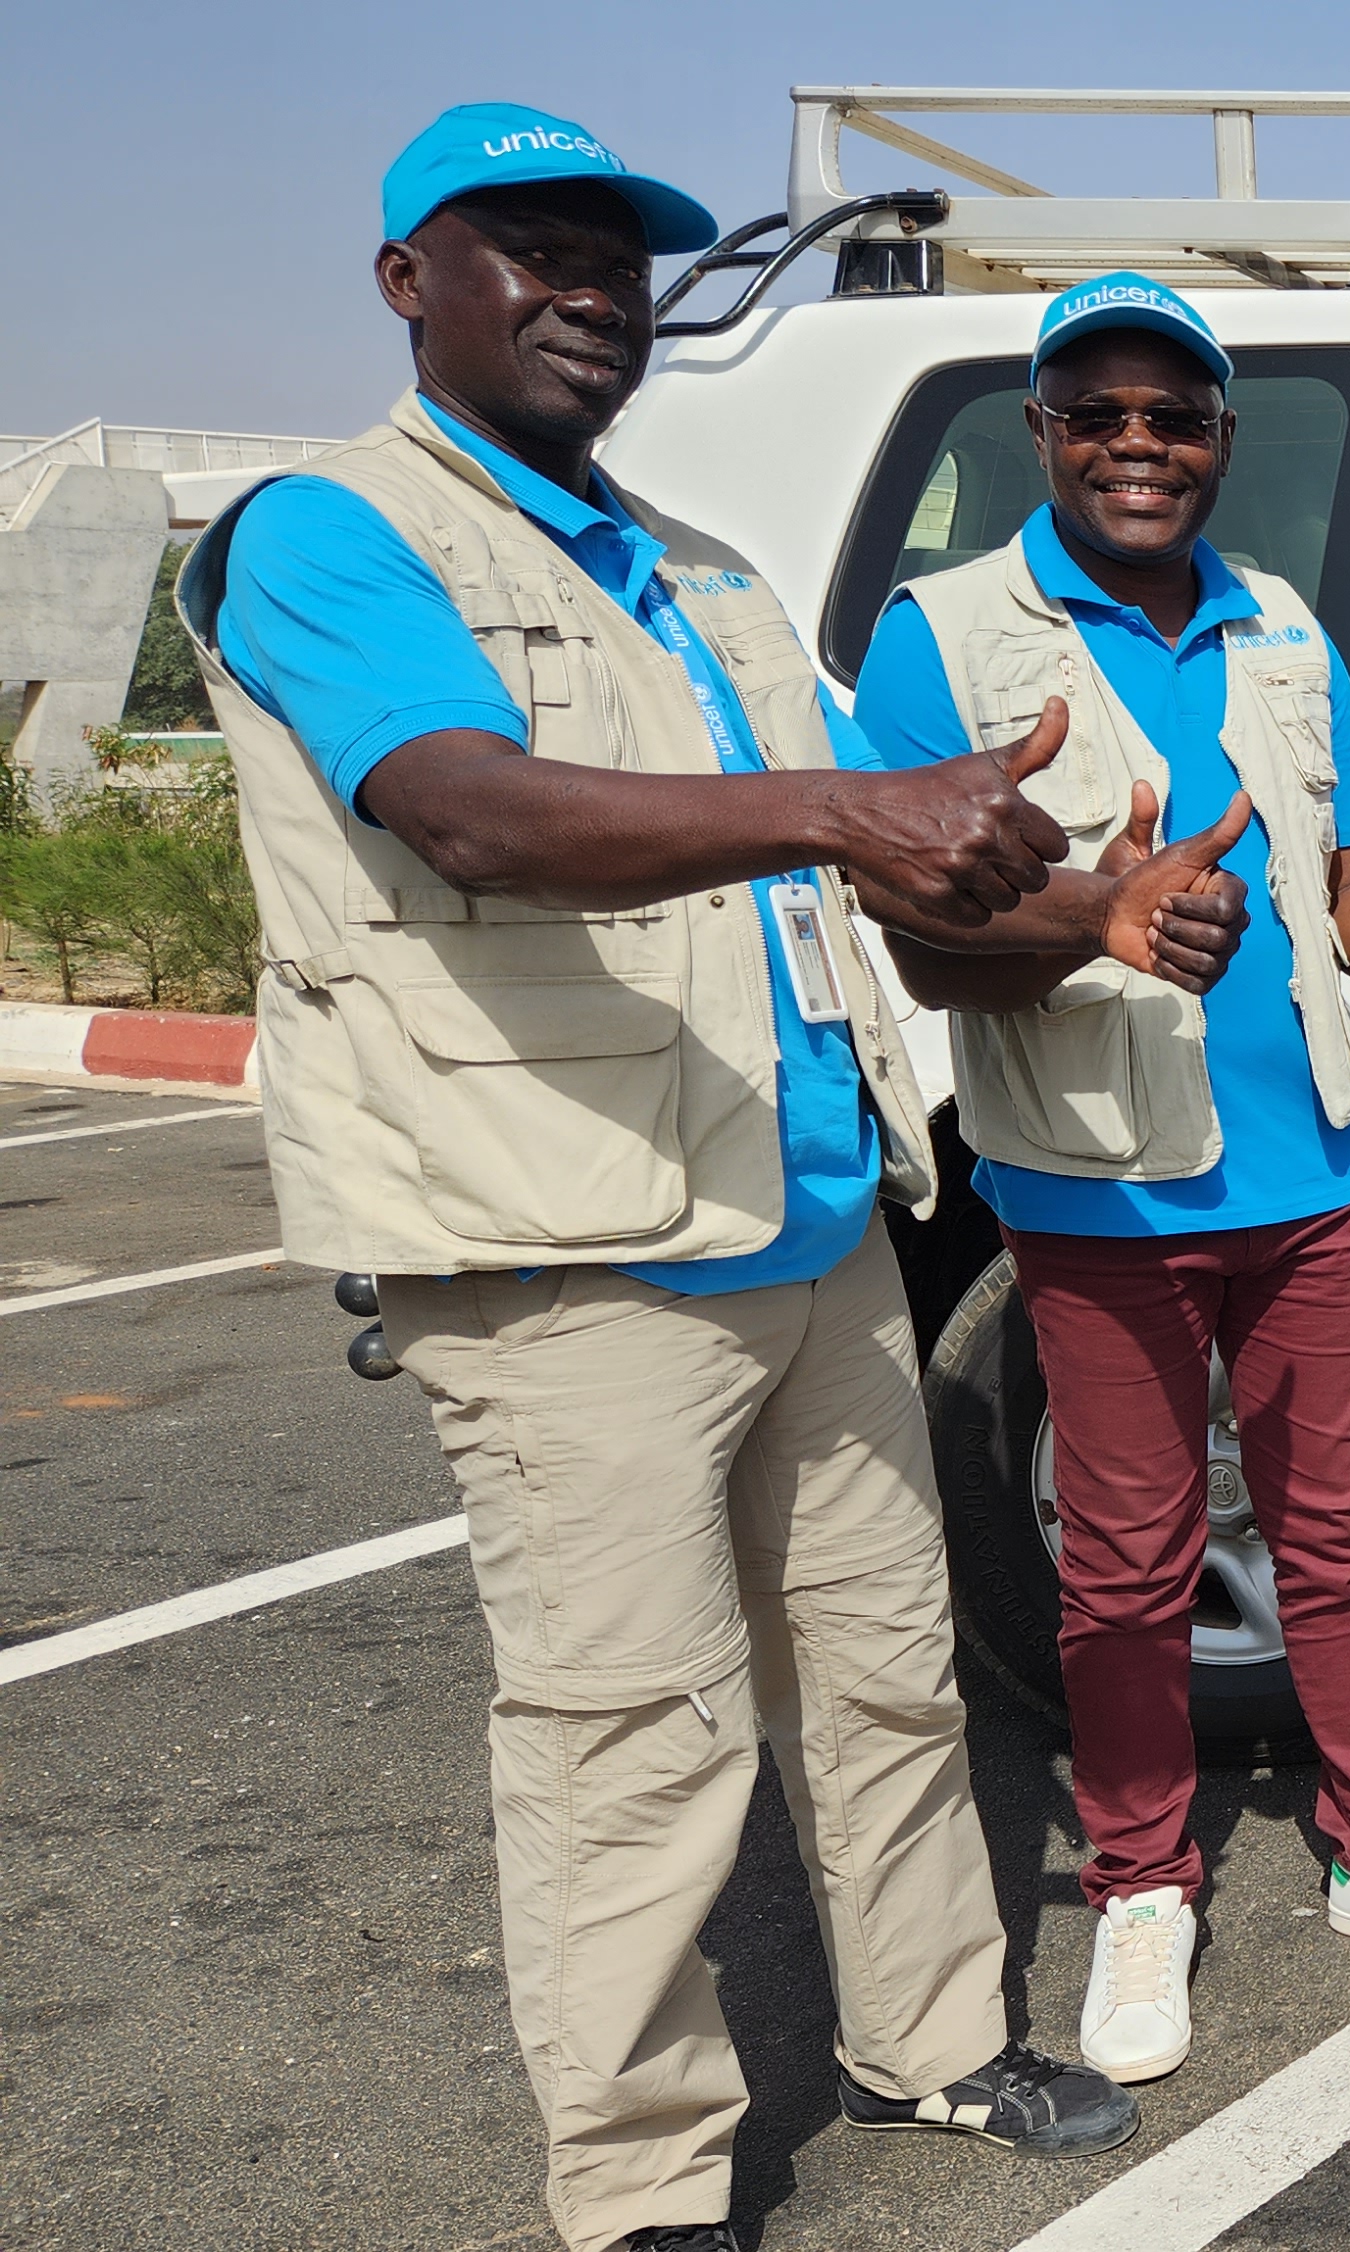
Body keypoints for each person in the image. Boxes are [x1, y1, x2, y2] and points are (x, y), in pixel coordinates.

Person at [177, 107, 1174, 2252]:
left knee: (891, 1668)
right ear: (406, 285)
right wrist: (849, 803)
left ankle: (930, 2040)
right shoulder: (332, 534)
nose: (588, 290)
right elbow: (476, 815)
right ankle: (636, 2183)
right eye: (527, 250)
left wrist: (1058, 899)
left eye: (618, 258)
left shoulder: (700, 569)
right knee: (632, 1741)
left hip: (810, 1220)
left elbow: (867, 876)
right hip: (567, 1247)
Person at [855, 274, 1350, 2079]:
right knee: (1129, 1561)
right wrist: (1103, 918)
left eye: (1175, 416)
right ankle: (1143, 1883)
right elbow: (926, 952)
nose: (1139, 446)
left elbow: (1343, 890)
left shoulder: (1288, 630)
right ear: (1044, 434)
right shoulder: (948, 638)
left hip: (1311, 1168)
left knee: (1341, 1532)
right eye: (1100, 414)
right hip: (1099, 1189)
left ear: (1223, 441)